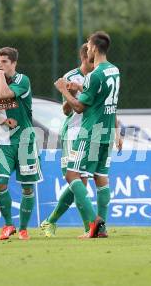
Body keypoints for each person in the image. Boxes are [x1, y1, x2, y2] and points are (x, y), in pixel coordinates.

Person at [54, 31, 122, 238]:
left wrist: (63, 90)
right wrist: (79, 86)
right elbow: (101, 95)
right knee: (101, 177)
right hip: (107, 131)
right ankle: (102, 227)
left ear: (93, 47)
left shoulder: (94, 75)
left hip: (90, 132)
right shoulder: (114, 70)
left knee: (71, 174)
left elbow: (79, 107)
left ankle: (94, 223)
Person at [0, 47, 42, 240]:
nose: (0, 65)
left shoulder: (22, 80)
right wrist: (2, 121)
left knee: (27, 187)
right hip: (4, 143)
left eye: (4, 62)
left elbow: (5, 93)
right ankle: (8, 225)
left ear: (14, 63)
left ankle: (24, 228)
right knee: (0, 183)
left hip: (25, 141)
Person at [40, 43, 97, 238]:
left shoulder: (98, 76)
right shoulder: (72, 77)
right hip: (73, 132)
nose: (94, 63)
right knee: (76, 180)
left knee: (81, 183)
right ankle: (89, 227)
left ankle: (51, 221)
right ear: (84, 58)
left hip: (89, 133)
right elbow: (65, 110)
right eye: (91, 60)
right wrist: (68, 92)